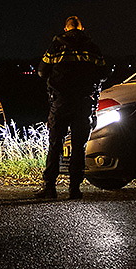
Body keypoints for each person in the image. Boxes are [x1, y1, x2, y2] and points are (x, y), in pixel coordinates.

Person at [36, 16, 107, 199]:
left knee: (55, 145)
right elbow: (104, 73)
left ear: (66, 29)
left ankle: (50, 187)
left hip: (61, 102)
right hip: (83, 103)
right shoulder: (92, 47)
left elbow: (42, 71)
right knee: (79, 147)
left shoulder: (56, 45)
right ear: (82, 28)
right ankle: (74, 189)